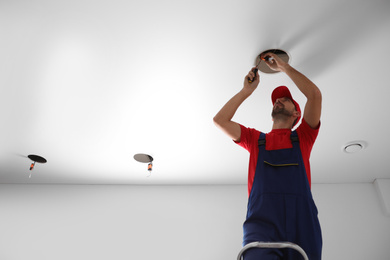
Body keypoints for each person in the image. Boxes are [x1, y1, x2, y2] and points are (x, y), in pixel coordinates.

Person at [213, 52, 323, 260]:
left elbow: (314, 95)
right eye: (276, 100)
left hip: (302, 224)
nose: (279, 100)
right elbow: (220, 120)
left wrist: (284, 68)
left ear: (296, 114)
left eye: (286, 99)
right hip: (262, 226)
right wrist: (246, 91)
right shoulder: (256, 140)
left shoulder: (303, 138)